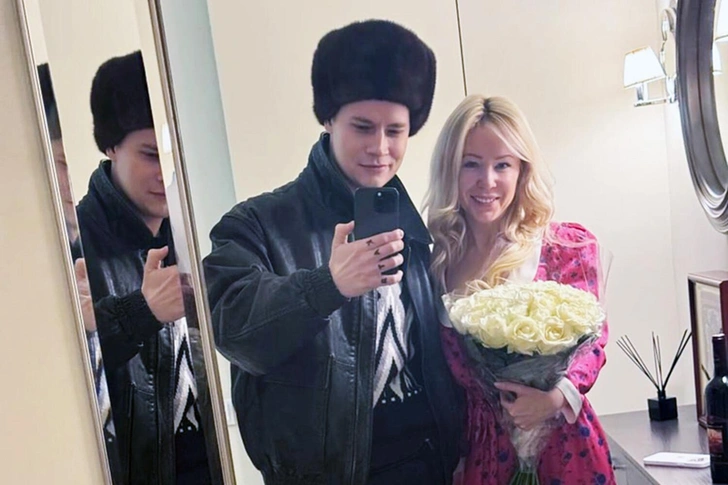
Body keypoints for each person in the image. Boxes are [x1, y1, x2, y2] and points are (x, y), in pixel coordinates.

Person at [203, 19, 464, 485]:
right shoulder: (257, 223)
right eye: (362, 127)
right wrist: (328, 286)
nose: (380, 148)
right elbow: (232, 331)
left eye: (396, 131)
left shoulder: (412, 222)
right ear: (328, 119)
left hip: (430, 464)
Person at [424, 94, 615, 485]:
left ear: (521, 170)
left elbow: (593, 345)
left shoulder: (564, 247)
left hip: (567, 446)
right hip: (481, 457)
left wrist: (554, 399)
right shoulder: (436, 267)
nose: (487, 181)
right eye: (471, 164)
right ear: (450, 169)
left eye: (502, 165)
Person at [76, 50, 221, 485]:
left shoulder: (203, 230)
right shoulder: (76, 249)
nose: (167, 174)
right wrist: (141, 312)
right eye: (151, 155)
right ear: (111, 146)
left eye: (177, 155)